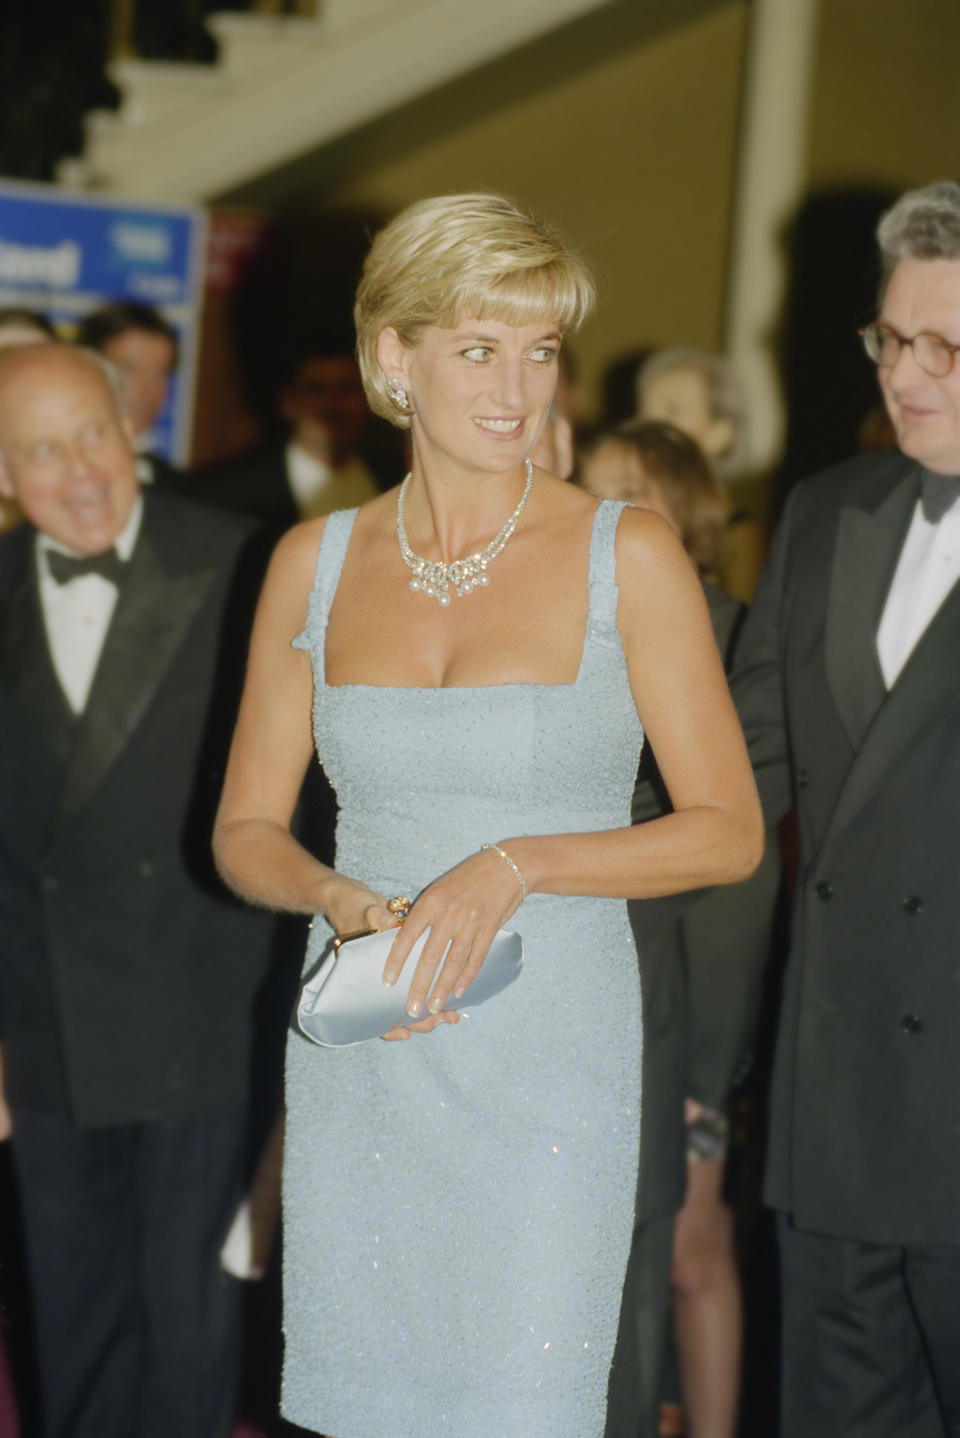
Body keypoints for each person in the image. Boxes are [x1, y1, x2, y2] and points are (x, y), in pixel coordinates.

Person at [214, 192, 762, 1438]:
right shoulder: (313, 563)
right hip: (371, 1049)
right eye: (479, 348)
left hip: (548, 1060)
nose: (519, 388)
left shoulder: (632, 552)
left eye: (541, 349)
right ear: (393, 359)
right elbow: (246, 830)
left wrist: (515, 862)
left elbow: (728, 828)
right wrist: (334, 895)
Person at [0, 343, 278, 1438]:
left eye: (95, 435)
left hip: (202, 1026)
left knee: (188, 1339)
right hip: (45, 1031)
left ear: (134, 435)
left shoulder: (240, 564)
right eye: (40, 449)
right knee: (73, 1331)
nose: (78, 469)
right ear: (3, 473)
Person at [730, 178, 960, 1438]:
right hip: (836, 1120)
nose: (905, 375)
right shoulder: (824, 516)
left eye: (944, 347)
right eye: (890, 338)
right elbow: (737, 776)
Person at [584, 422, 779, 1438]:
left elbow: (740, 871)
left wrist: (711, 1061)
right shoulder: (565, 622)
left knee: (687, 1253)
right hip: (581, 1005)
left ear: (690, 513)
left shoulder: (735, 637)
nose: (606, 509)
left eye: (632, 490)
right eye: (591, 488)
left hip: (686, 1007)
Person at [188, 337, 395, 531]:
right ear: (287, 401)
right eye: (316, 390)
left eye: (346, 389)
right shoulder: (231, 492)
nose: (333, 405)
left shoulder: (398, 481)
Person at [637, 347, 767, 602]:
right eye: (644, 410)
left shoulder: (740, 536)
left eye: (672, 410)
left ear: (720, 434)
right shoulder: (632, 513)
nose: (647, 426)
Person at [76, 300, 181, 485]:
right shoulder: (49, 474)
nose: (147, 390)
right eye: (130, 370)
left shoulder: (180, 490)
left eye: (160, 373)